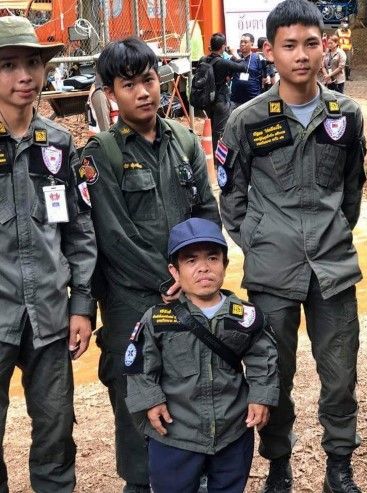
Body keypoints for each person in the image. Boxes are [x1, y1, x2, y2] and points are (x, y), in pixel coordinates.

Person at [218, 1, 366, 492]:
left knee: (340, 373)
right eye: (289, 45)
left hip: (332, 267)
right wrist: (258, 242)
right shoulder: (246, 120)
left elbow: (351, 190)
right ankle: (278, 463)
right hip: (272, 270)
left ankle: (338, 465)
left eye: (310, 43)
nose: (301, 55)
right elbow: (232, 196)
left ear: (325, 47)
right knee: (273, 375)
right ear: (270, 52)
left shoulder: (346, 114)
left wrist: (333, 231)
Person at [80, 37, 220, 493]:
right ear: (110, 93)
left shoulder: (184, 140)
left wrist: (203, 272)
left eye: (148, 80)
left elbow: (206, 212)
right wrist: (169, 278)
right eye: (129, 85)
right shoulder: (102, 153)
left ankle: (192, 478)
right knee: (137, 398)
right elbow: (113, 236)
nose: (143, 92)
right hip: (132, 303)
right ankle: (140, 484)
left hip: (187, 297)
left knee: (191, 387)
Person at [0, 16, 97, 492]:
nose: (24, 76)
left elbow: (78, 229)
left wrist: (82, 305)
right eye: (8, 65)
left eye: (32, 63)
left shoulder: (57, 144)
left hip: (50, 316)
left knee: (56, 432)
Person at [124, 217, 279, 493]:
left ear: (225, 264)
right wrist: (150, 401)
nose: (203, 267)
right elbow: (140, 364)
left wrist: (260, 396)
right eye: (191, 260)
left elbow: (263, 358)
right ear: (175, 271)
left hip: (232, 431)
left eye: (212, 258)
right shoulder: (158, 319)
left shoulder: (245, 316)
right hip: (176, 434)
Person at [202, 33, 248, 146]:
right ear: (223, 47)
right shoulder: (222, 62)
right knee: (219, 132)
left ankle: (211, 152)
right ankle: (217, 155)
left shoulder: (203, 59)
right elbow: (244, 67)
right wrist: (235, 53)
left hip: (208, 99)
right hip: (220, 100)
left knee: (212, 128)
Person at [230, 33, 268, 107]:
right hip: (236, 100)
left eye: (245, 42)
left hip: (253, 100)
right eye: (241, 42)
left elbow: (264, 78)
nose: (242, 44)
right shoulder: (233, 58)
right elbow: (228, 76)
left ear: (252, 44)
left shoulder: (258, 58)